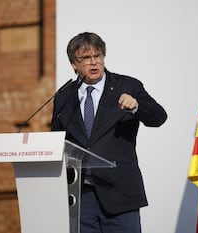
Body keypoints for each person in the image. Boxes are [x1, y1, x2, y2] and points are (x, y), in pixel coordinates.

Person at [51, 32, 167, 233]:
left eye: (98, 56)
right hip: (80, 197)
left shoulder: (128, 86)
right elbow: (57, 141)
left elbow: (158, 117)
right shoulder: (64, 96)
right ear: (73, 64)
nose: (94, 62)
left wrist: (136, 106)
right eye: (86, 58)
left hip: (120, 195)